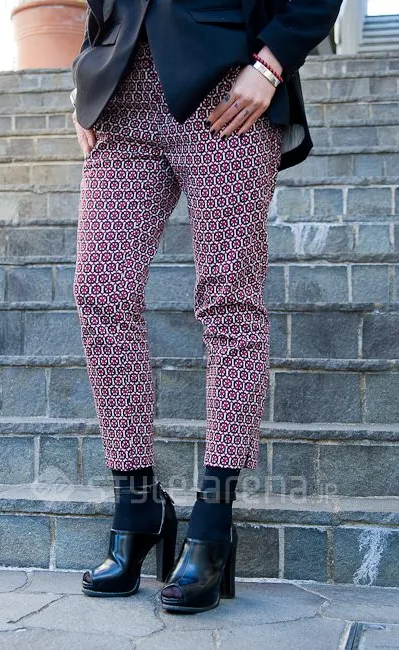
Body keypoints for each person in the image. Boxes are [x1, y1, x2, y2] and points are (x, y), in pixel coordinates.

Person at [70, 0, 343, 614]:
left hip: (229, 92)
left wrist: (272, 63)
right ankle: (137, 505)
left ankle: (214, 521)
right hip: (121, 98)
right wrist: (88, 71)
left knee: (229, 305)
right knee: (100, 292)